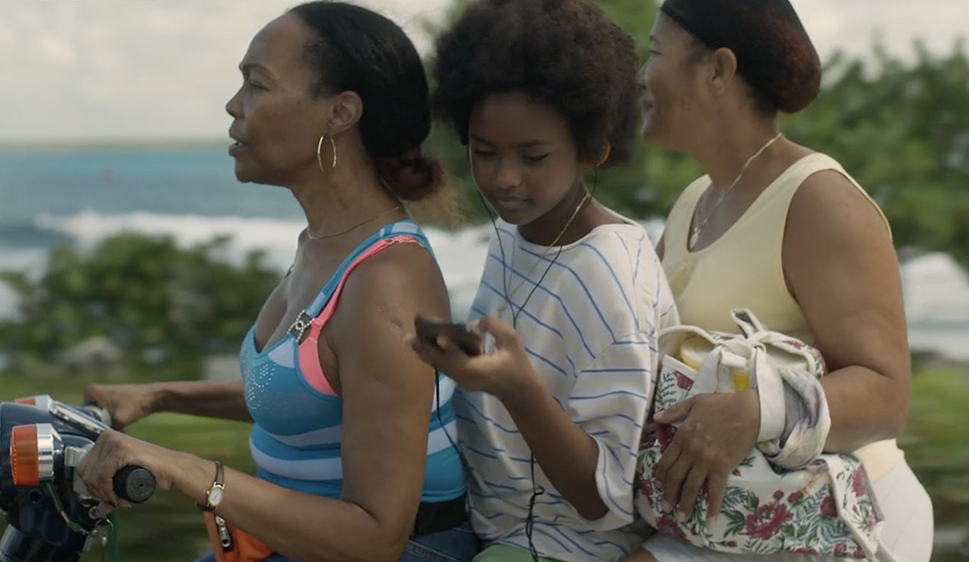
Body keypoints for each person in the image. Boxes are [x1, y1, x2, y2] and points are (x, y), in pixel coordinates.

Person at [76, 3, 477, 562]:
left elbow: (377, 536)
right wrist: (158, 397)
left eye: (257, 85)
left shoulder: (385, 282)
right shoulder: (323, 244)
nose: (234, 105)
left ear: (340, 113)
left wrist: (187, 469)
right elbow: (308, 394)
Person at [626, 0, 934, 560]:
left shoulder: (818, 199)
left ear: (718, 70)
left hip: (844, 516)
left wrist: (757, 409)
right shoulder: (692, 201)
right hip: (733, 519)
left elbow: (887, 396)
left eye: (654, 54)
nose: (640, 77)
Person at [408, 1, 680, 561]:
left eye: (533, 156)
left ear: (591, 147)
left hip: (564, 546)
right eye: (484, 152)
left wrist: (517, 387)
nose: (504, 178)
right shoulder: (517, 233)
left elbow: (603, 499)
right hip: (480, 516)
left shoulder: (609, 282)